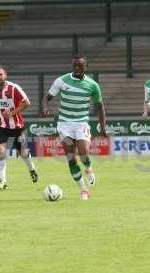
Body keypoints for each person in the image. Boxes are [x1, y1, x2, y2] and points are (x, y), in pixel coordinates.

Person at [42, 55, 107, 200]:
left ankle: (88, 168)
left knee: (83, 152)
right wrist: (45, 107)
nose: (77, 68)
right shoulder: (62, 80)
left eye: (80, 65)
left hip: (81, 123)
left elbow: (100, 107)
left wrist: (103, 127)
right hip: (64, 124)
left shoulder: (92, 85)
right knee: (71, 158)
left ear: (86, 67)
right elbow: (47, 98)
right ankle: (84, 190)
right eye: (75, 65)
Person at [0, 65, 38, 190]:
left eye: (1, 74)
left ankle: (31, 168)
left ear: (5, 75)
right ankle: (2, 180)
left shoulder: (14, 88)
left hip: (16, 125)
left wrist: (12, 113)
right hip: (0, 124)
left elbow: (27, 103)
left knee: (23, 152)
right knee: (0, 151)